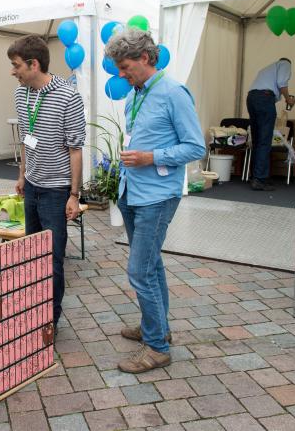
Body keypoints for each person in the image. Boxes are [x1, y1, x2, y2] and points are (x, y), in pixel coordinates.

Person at [104, 29, 205, 374]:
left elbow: (195, 147)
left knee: (139, 270)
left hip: (158, 196)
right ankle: (157, 328)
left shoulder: (174, 92)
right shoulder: (135, 95)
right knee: (151, 264)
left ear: (145, 58)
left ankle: (158, 348)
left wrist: (151, 157)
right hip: (132, 192)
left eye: (125, 65)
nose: (120, 73)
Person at [8, 34, 86, 331]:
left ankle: (48, 321)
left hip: (56, 191)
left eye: (16, 65)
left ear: (34, 64)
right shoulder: (21, 94)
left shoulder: (68, 96)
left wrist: (74, 195)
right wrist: (22, 175)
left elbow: (75, 148)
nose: (13, 71)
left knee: (52, 260)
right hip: (32, 186)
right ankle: (32, 312)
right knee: (31, 255)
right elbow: (27, 140)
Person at [246, 58, 295, 191]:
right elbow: (281, 82)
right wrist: (288, 98)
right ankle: (260, 179)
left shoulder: (267, 69)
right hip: (264, 97)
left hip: (251, 98)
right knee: (264, 140)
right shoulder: (285, 63)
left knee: (257, 140)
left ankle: (255, 176)